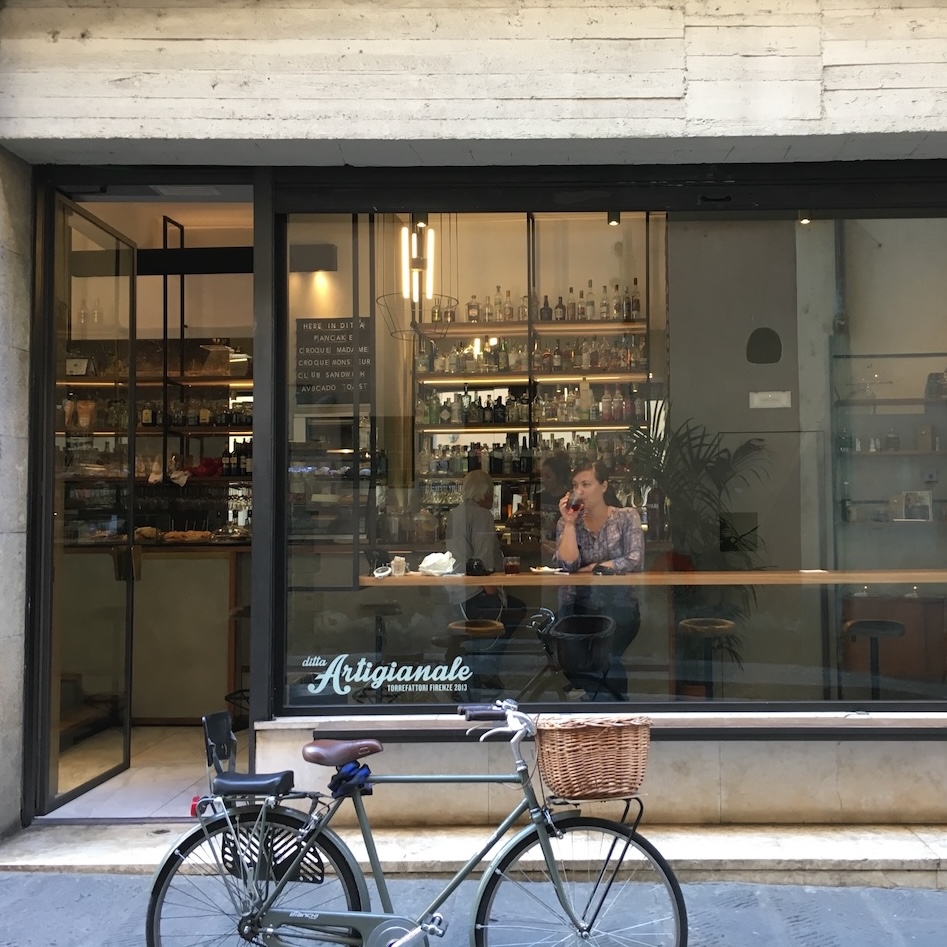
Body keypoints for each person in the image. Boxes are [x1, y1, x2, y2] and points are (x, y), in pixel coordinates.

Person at [554, 460, 643, 699]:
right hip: (577, 607)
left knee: (607, 658)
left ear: (603, 486)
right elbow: (568, 565)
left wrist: (594, 567)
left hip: (620, 605)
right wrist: (570, 523)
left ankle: (606, 710)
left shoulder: (626, 517)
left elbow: (634, 558)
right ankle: (607, 710)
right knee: (590, 662)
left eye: (586, 484)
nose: (579, 491)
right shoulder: (566, 522)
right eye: (575, 485)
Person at [445, 469, 526, 692]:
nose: (492, 498)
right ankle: (485, 669)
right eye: (491, 493)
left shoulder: (455, 513)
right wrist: (494, 596)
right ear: (484, 493)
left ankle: (474, 667)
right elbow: (481, 562)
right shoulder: (482, 515)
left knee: (503, 615)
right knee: (514, 611)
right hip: (476, 592)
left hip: (456, 592)